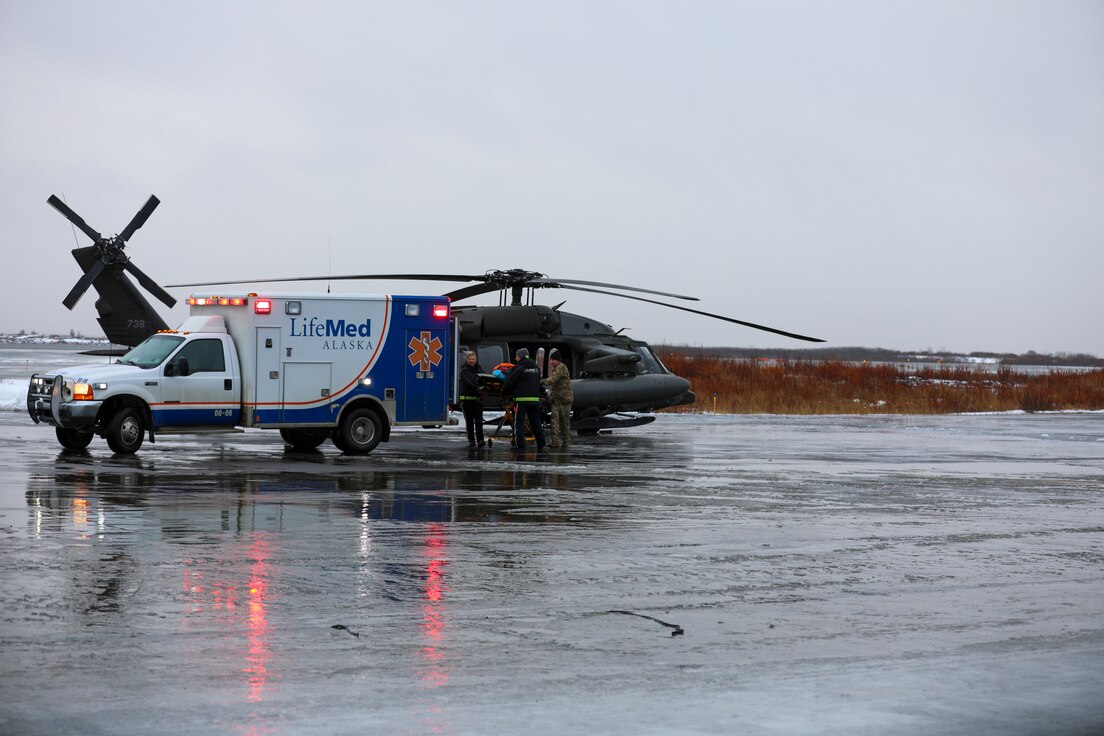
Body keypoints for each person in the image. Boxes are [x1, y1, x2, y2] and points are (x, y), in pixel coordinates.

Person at [500, 347, 546, 451]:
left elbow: (509, 381)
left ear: (520, 356)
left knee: (519, 423)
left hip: (521, 400)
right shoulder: (536, 368)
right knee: (536, 422)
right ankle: (541, 443)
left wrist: (503, 392)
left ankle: (520, 445)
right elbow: (537, 383)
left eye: (516, 356)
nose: (515, 359)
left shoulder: (519, 367)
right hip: (534, 400)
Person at [541, 349, 573, 448]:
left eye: (553, 360)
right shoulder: (557, 368)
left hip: (564, 400)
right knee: (554, 421)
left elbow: (553, 380)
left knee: (564, 422)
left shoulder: (561, 368)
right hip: (557, 399)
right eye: (550, 360)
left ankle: (565, 442)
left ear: (558, 360)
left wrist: (542, 381)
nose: (551, 362)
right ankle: (555, 442)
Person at [458, 351, 485, 447]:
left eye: (473, 359)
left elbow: (484, 379)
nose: (472, 361)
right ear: (467, 360)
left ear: (476, 359)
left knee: (478, 421)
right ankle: (471, 440)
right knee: (469, 421)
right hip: (467, 400)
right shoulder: (464, 370)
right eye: (470, 359)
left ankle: (480, 440)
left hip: (477, 400)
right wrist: (478, 386)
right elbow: (469, 382)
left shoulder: (479, 369)